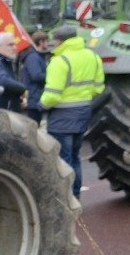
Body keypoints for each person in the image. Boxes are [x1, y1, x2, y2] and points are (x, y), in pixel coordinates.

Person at [40, 24, 104, 198]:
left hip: (62, 116)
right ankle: (75, 195)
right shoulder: (93, 56)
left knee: (62, 160)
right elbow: (98, 88)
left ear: (59, 41)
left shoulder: (59, 61)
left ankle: (64, 197)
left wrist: (41, 104)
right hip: (83, 112)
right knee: (75, 157)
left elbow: (52, 95)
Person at [20, 30, 50, 124]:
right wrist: (52, 76)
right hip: (33, 98)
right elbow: (36, 76)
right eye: (46, 41)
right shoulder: (33, 57)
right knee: (33, 126)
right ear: (41, 42)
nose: (48, 43)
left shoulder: (39, 56)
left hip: (36, 97)